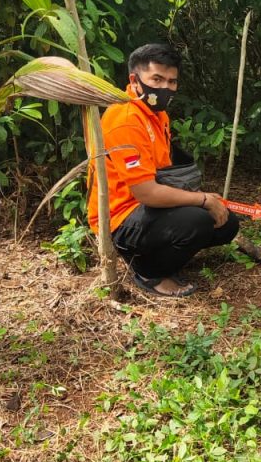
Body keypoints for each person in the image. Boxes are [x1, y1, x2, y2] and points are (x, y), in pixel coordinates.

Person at [87, 43, 240, 297]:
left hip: (148, 208)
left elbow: (162, 174)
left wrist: (204, 200)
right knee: (199, 220)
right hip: (120, 217)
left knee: (227, 223)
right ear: (135, 81)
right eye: (157, 79)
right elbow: (146, 193)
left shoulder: (157, 114)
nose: (165, 88)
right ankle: (148, 271)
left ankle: (161, 252)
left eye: (172, 81)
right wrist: (201, 200)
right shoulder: (125, 119)